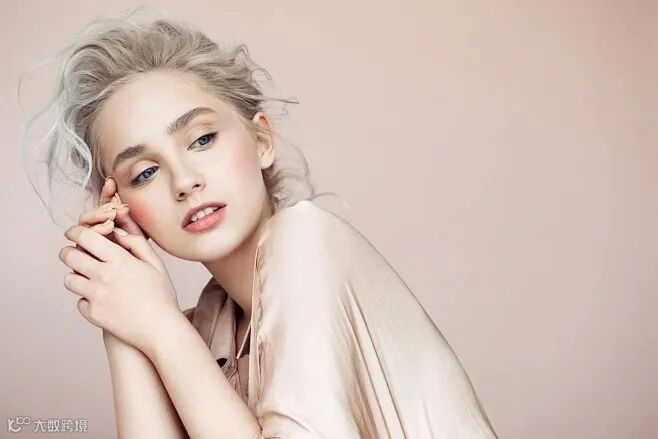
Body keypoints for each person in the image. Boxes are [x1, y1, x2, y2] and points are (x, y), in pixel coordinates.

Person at [22, 8, 498, 438]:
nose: (184, 181)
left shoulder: (306, 240)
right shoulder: (207, 327)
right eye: (144, 173)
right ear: (123, 206)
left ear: (262, 141)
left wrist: (161, 330)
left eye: (202, 139)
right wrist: (121, 321)